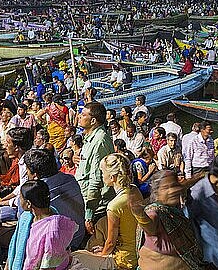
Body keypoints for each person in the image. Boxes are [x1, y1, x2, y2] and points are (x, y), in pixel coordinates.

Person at [127, 170, 214, 269]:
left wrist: (200, 175)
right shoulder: (155, 212)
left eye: (174, 185)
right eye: (165, 188)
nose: (173, 190)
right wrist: (139, 213)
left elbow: (184, 185)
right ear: (157, 193)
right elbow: (149, 227)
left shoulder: (173, 208)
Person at [77, 153, 142, 270]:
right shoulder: (134, 190)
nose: (102, 176)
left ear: (112, 177)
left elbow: (111, 242)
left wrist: (101, 256)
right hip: (135, 253)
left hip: (123, 260)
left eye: (103, 173)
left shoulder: (114, 206)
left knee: (75, 257)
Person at [7, 180, 79, 270]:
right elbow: (15, 245)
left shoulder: (53, 230)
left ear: (29, 204)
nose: (18, 200)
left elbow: (49, 267)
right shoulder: (26, 217)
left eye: (20, 198)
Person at [23, 148, 86, 249]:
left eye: (27, 170)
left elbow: (23, 217)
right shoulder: (70, 179)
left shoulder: (37, 191)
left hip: (61, 246)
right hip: (78, 237)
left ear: (35, 175)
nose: (26, 173)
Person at [75, 102, 115, 235]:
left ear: (93, 120)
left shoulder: (99, 141)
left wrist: (89, 215)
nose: (79, 116)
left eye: (83, 115)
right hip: (86, 201)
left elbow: (96, 179)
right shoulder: (89, 139)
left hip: (96, 206)